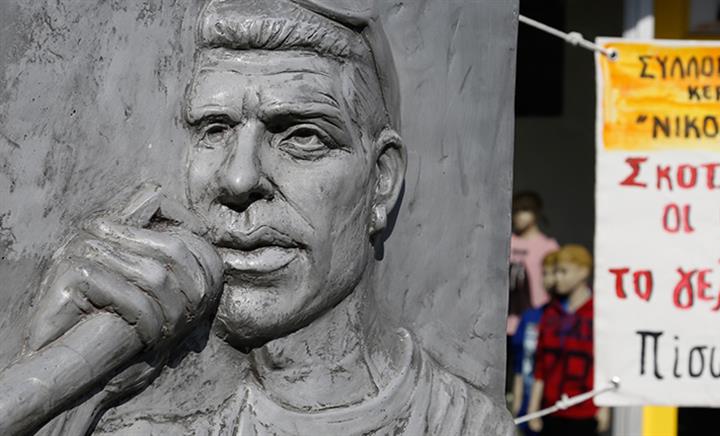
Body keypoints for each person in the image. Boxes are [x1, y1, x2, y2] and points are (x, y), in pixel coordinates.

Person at [0, 0, 514, 434]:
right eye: (215, 129)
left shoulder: (464, 425)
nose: (239, 179)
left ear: (382, 179)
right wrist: (60, 382)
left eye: (301, 135)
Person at [527, 244, 609, 435]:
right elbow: (541, 365)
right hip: (551, 409)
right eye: (555, 272)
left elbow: (605, 363)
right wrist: (533, 408)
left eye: (563, 272)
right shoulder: (551, 313)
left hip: (586, 411)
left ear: (583, 272)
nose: (557, 278)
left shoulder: (598, 313)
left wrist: (604, 407)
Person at [512, 250, 559, 434]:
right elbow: (520, 365)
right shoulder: (530, 317)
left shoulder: (575, 321)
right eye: (545, 273)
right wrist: (517, 405)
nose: (548, 279)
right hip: (527, 408)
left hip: (559, 409)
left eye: (554, 272)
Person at [508, 191, 559, 336]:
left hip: (534, 321)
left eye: (524, 210)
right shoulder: (506, 241)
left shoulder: (548, 246)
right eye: (515, 210)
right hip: (504, 320)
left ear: (536, 213)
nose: (519, 216)